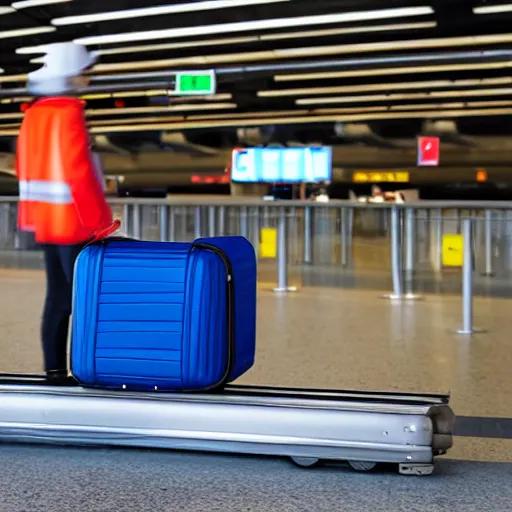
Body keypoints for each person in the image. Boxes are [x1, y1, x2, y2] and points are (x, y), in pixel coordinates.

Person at [16, 42, 117, 383]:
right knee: (88, 299)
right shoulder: (68, 112)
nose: (89, 79)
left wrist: (33, 216)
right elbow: (78, 172)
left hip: (46, 221)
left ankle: (55, 371)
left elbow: (25, 168)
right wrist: (100, 222)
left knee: (59, 298)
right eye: (86, 72)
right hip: (74, 223)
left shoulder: (34, 113)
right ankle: (90, 369)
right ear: (73, 74)